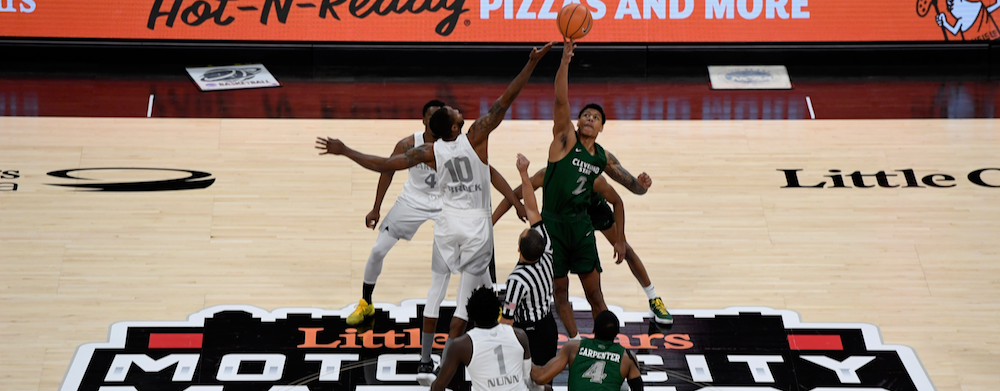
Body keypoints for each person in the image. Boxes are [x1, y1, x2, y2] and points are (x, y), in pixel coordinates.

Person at [316, 41, 554, 383]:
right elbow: (506, 100)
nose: (460, 112)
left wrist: (345, 150)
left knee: (473, 295)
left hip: (446, 229)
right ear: (455, 127)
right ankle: (441, 367)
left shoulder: (428, 151)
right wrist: (531, 64)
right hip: (474, 231)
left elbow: (383, 164)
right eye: (457, 113)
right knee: (464, 306)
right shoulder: (476, 138)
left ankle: (456, 354)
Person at [541, 40, 654, 340]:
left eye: (596, 117)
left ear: (602, 127)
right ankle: (576, 344)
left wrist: (641, 188)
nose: (589, 118)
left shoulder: (602, 158)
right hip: (552, 226)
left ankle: (606, 346)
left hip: (580, 226)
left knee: (595, 294)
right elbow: (560, 100)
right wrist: (564, 62)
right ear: (578, 123)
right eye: (586, 115)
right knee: (560, 293)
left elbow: (626, 188)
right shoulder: (565, 140)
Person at [492, 167, 673, 326]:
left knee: (625, 249)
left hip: (592, 209)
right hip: (563, 221)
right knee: (556, 285)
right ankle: (572, 338)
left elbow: (632, 187)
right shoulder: (551, 171)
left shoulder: (599, 157)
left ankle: (653, 298)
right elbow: (514, 194)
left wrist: (641, 186)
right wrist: (493, 221)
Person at [347, 99, 447, 326]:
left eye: (439, 117)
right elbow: (387, 170)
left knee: (475, 248)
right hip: (413, 200)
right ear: (423, 120)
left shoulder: (454, 144)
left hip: (445, 202)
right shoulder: (408, 144)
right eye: (431, 117)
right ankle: (366, 302)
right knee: (378, 250)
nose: (434, 121)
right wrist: (376, 208)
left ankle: (489, 302)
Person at [500, 153, 558, 370]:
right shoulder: (547, 248)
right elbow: (532, 209)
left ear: (518, 250)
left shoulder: (517, 280)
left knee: (527, 379)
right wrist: (524, 174)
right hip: (548, 325)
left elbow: (507, 320)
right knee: (546, 378)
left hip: (528, 333)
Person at [430, 287, 542, 391]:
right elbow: (528, 380)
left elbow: (438, 386)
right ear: (498, 311)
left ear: (470, 314)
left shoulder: (461, 345)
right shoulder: (519, 335)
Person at [530, 310, 644, 391]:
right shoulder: (627, 357)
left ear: (593, 329)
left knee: (545, 389)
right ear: (617, 334)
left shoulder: (573, 348)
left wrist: (524, 356)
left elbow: (540, 377)